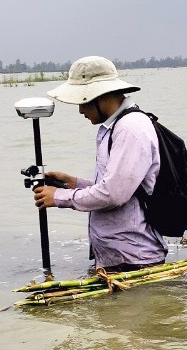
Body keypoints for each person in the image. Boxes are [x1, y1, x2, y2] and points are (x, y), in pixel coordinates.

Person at [32, 56, 167, 273]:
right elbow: (116, 187)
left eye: (83, 103)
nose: (81, 111)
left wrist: (57, 197)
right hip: (117, 256)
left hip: (133, 259)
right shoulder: (111, 127)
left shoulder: (130, 129)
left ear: (100, 97)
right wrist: (72, 183)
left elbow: (113, 195)